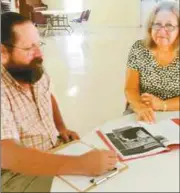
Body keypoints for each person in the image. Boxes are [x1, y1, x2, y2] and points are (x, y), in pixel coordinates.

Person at [1, 12, 118, 192]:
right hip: (16, 173)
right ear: (3, 52)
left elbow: (47, 95)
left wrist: (61, 127)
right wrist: (80, 164)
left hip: (52, 149)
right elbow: (8, 155)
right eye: (29, 48)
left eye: (38, 44)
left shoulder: (30, 67)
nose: (40, 54)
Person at [124, 1, 179, 123]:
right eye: (157, 25)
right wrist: (140, 107)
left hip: (175, 112)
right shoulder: (139, 48)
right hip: (143, 111)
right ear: (150, 27)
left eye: (169, 26)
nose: (162, 31)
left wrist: (163, 105)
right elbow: (130, 88)